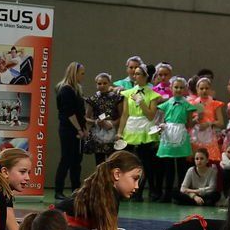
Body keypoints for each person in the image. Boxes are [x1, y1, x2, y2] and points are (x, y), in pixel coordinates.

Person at [54, 150, 141, 230]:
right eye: (134, 179)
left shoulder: (101, 188)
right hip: (56, 229)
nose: (137, 186)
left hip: (56, 224)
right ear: (117, 174)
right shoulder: (108, 195)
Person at [115, 64, 162, 202]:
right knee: (129, 163)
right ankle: (127, 190)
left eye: (138, 74)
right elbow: (125, 114)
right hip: (131, 128)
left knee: (146, 164)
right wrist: (120, 132)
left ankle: (145, 191)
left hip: (145, 128)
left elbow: (151, 116)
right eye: (134, 73)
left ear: (146, 76)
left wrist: (141, 102)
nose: (134, 76)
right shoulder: (128, 93)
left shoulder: (152, 94)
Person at [156, 76, 200, 202]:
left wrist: (196, 120)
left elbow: (189, 124)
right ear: (171, 88)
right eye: (176, 87)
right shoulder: (166, 103)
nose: (178, 89)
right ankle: (167, 194)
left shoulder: (187, 105)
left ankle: (182, 194)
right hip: (168, 133)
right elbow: (161, 119)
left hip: (181, 133)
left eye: (181, 87)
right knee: (168, 166)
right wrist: (161, 125)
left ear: (185, 89)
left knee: (182, 166)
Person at [54, 62, 87, 200]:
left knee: (76, 161)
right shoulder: (66, 90)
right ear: (75, 73)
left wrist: (84, 128)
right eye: (82, 73)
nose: (83, 76)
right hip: (68, 130)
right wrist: (79, 129)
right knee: (66, 159)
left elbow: (80, 112)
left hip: (77, 130)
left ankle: (76, 189)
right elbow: (70, 113)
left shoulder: (76, 89)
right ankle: (58, 190)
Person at [0, 147, 32, 230]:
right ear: (5, 172)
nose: (28, 178)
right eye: (22, 172)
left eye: (29, 172)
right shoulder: (2, 192)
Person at [84, 72, 123, 165]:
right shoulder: (93, 99)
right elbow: (86, 118)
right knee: (99, 162)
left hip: (113, 133)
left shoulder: (117, 98)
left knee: (112, 162)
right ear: (96, 84)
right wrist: (96, 122)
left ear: (109, 83)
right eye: (99, 83)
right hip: (98, 134)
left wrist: (112, 124)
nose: (102, 85)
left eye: (105, 83)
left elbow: (122, 116)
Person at [188, 77, 225, 164]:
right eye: (201, 88)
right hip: (195, 136)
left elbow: (221, 123)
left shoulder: (215, 104)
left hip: (209, 136)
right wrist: (197, 119)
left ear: (210, 90)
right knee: (196, 161)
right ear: (197, 89)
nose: (204, 91)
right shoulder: (191, 104)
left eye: (206, 88)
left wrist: (209, 123)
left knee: (211, 161)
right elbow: (188, 124)